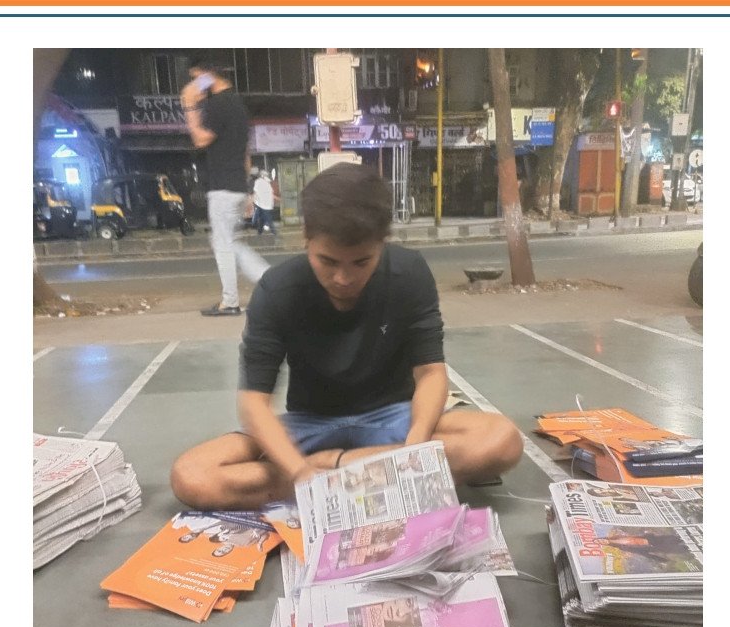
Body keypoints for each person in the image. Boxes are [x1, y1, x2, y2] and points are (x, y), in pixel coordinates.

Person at [170, 163, 523, 510]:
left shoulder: (409, 274)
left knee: (502, 440)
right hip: (309, 425)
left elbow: (431, 373)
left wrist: (414, 449)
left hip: (394, 418)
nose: (343, 278)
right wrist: (299, 470)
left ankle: (334, 471)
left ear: (382, 243)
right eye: (328, 261)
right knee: (192, 475)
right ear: (306, 237)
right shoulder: (277, 291)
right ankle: (364, 474)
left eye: (361, 262)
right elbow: (253, 404)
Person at [180, 60, 269, 317]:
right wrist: (247, 189)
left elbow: (200, 139)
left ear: (207, 75)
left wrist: (189, 105)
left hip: (223, 187)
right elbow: (246, 152)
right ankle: (271, 282)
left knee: (223, 244)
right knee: (231, 242)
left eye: (196, 77)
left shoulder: (217, 105)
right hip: (236, 185)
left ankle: (231, 301)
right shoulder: (238, 105)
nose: (195, 84)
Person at [253, 169, 279, 235]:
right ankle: (267, 232)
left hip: (262, 204)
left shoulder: (259, 182)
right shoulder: (265, 182)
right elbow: (270, 193)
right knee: (265, 218)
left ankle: (262, 232)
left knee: (263, 218)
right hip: (265, 204)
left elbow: (256, 192)